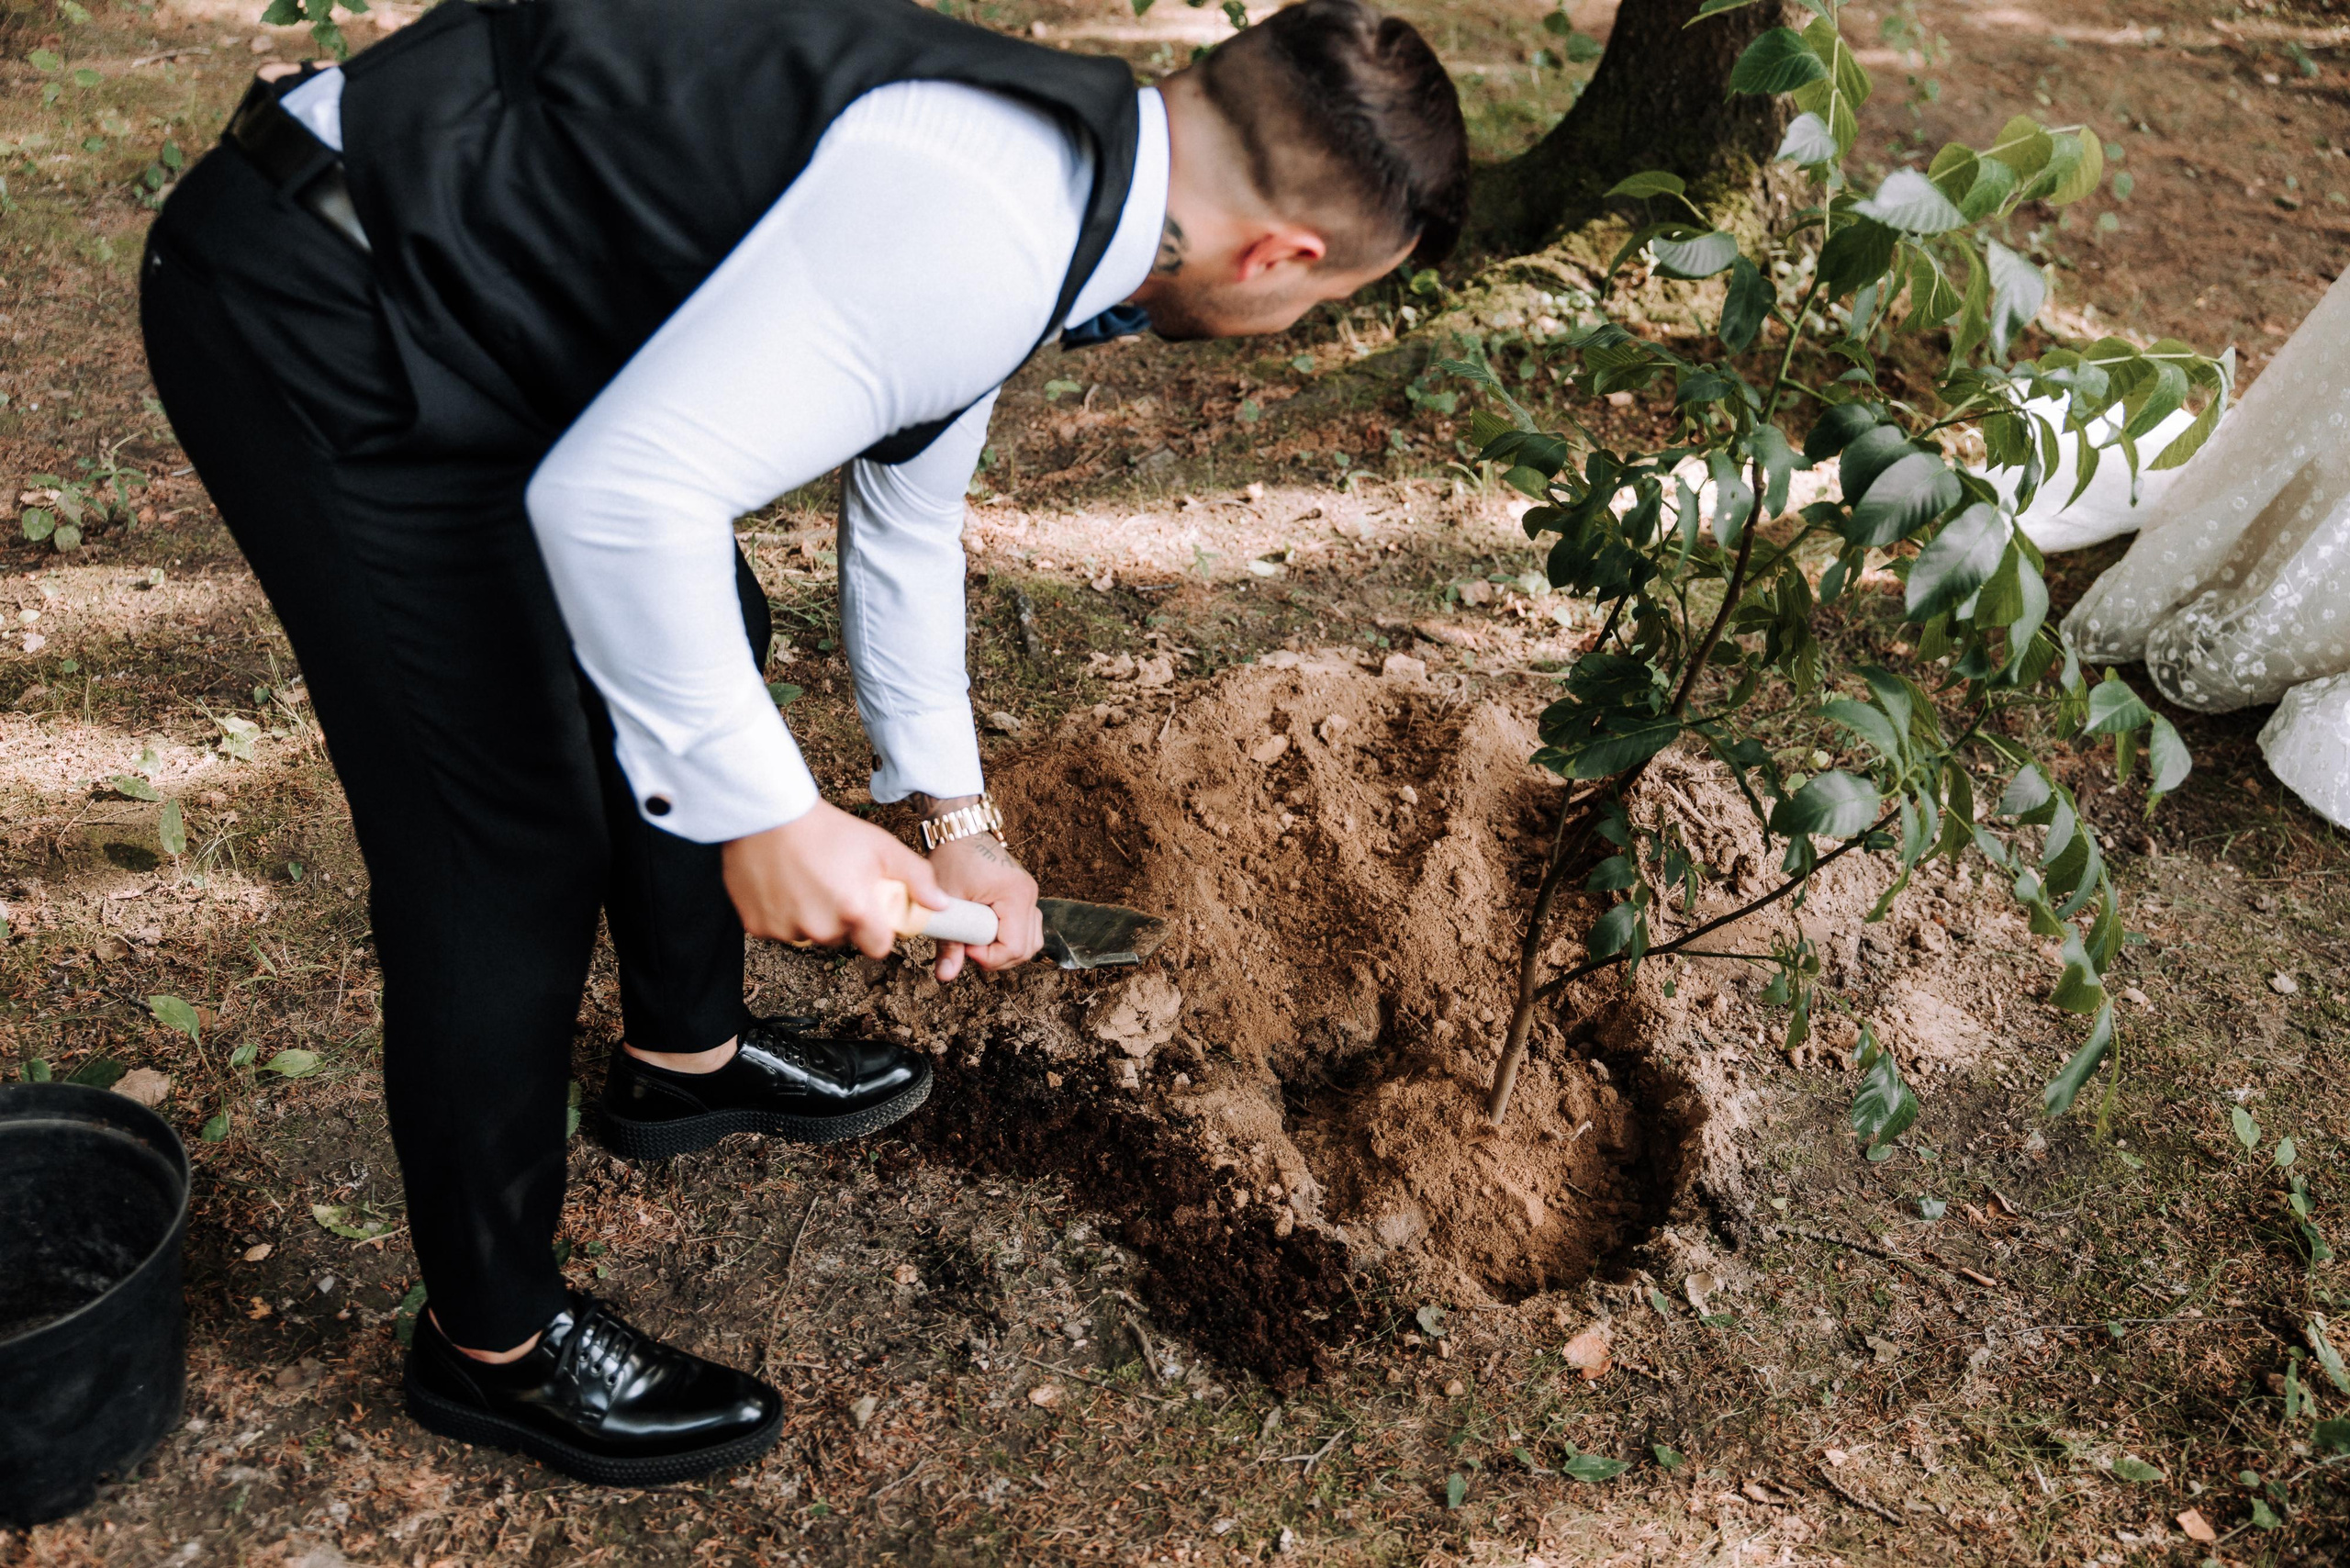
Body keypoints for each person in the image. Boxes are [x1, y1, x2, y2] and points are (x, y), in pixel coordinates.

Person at [140, 0, 1466, 1485]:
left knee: (718, 638)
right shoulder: (986, 224)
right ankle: (489, 1348)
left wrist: (956, 820)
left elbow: (906, 514)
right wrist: (766, 815)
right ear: (1279, 258)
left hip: (486, 302)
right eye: (1324, 303)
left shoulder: (1065, 173)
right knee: (498, 840)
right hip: (326, 296)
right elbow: (618, 505)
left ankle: (683, 1062)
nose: (1297, 325)